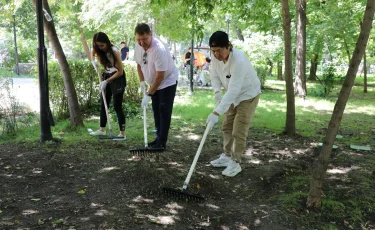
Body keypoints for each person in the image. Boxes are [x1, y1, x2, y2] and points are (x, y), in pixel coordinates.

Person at [206, 31, 261, 177]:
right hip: (232, 95)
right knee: (227, 126)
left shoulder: (239, 60)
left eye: (219, 51)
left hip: (248, 95)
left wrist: (216, 112)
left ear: (228, 46)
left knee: (238, 129)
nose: (216, 54)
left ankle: (235, 162)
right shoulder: (215, 57)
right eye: (213, 51)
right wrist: (217, 92)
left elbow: (234, 90)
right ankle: (226, 155)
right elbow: (214, 75)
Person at [134, 23, 178, 150]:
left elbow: (160, 76)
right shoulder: (138, 46)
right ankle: (158, 138)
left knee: (164, 110)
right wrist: (142, 81)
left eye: (144, 39)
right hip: (153, 82)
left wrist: (149, 94)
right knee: (156, 110)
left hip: (167, 81)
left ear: (151, 35)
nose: (141, 43)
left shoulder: (159, 49)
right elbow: (139, 65)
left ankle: (162, 143)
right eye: (138, 39)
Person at [90, 32, 127, 138]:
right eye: (98, 46)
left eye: (102, 45)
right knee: (103, 103)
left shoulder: (115, 51)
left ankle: (122, 134)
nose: (100, 48)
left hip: (118, 78)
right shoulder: (97, 49)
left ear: (106, 42)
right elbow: (92, 52)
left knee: (117, 106)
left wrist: (107, 81)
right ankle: (102, 129)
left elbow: (120, 71)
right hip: (107, 76)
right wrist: (93, 62)